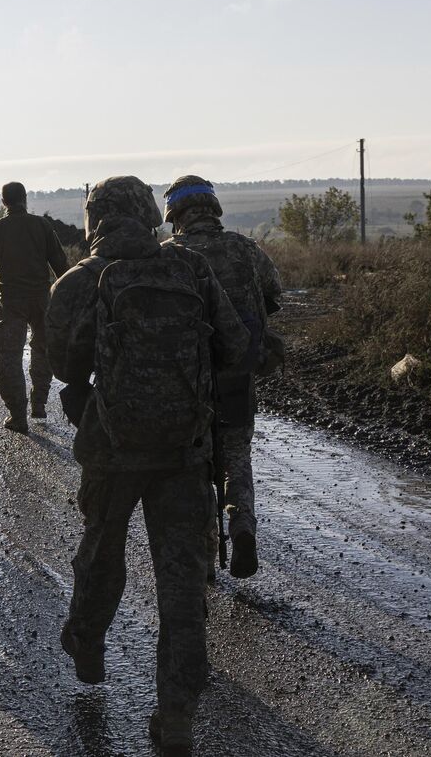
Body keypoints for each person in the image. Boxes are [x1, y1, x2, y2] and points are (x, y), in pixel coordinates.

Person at [46, 175, 248, 756]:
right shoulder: (191, 270)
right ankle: (177, 714)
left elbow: (62, 365)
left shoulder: (79, 282)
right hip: (185, 451)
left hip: (111, 450)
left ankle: (87, 642)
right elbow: (236, 349)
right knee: (182, 587)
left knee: (102, 552)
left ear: (95, 219)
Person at [162, 175, 283, 579]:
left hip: (187, 380)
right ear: (213, 209)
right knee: (236, 456)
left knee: (195, 463)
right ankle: (242, 524)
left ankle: (206, 546)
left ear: (174, 214)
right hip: (237, 372)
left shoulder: (167, 256)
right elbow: (274, 291)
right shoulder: (244, 248)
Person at [0, 181, 70, 433]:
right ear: (25, 198)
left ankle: (17, 415)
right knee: (42, 349)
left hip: (11, 302)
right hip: (42, 299)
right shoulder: (42, 226)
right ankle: (39, 402)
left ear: (3, 201)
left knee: (9, 357)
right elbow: (61, 265)